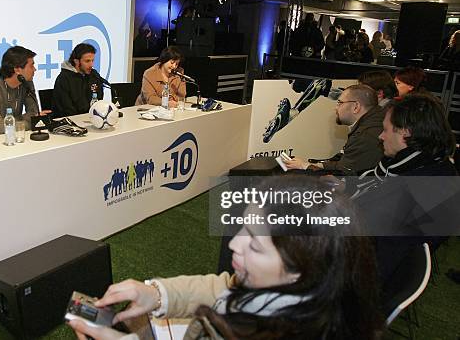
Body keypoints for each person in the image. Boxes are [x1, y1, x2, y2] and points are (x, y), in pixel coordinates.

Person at [69, 176, 383, 340]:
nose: (235, 245)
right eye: (242, 228)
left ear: (300, 270)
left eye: (256, 245)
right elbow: (225, 287)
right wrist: (155, 293)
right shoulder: (303, 293)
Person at [348, 94, 457, 284]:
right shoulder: (435, 167)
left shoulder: (412, 190)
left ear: (405, 132)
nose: (380, 136)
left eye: (385, 130)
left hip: (352, 279)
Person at [283, 84, 384, 174]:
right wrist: (316, 165)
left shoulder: (364, 136)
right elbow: (345, 162)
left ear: (355, 107)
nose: (336, 108)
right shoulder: (375, 120)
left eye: (340, 103)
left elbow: (342, 176)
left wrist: (304, 167)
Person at [0, 46, 48, 134]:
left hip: (15, 135)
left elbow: (33, 113)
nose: (35, 69)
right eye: (31, 65)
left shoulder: (26, 83)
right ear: (17, 70)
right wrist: (31, 123)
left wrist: (28, 120)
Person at [53, 43, 105, 117]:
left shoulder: (94, 75)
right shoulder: (63, 79)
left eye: (92, 60)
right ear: (76, 61)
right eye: (87, 61)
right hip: (72, 121)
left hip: (92, 119)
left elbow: (99, 99)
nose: (91, 65)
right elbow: (66, 109)